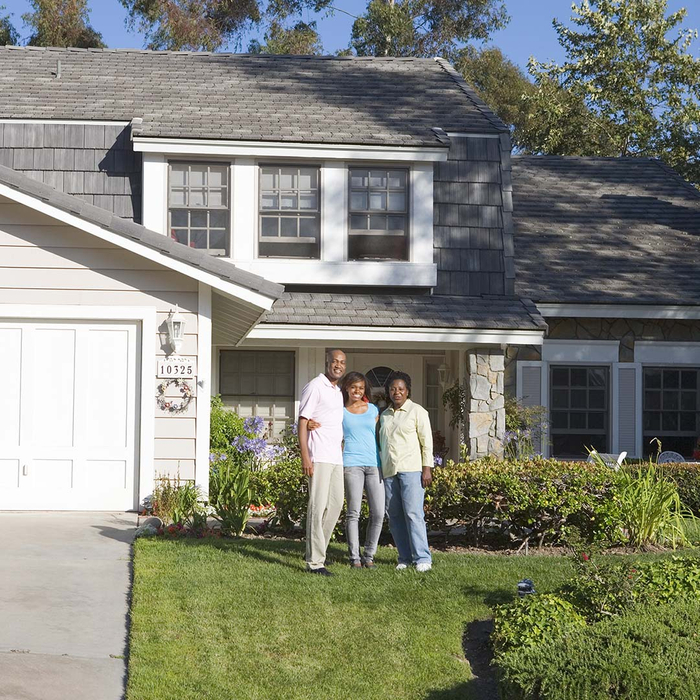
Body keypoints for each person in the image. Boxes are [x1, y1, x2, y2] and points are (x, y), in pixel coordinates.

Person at [378, 371, 434, 572]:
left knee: (413, 514)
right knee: (394, 516)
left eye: (401, 389)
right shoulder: (384, 415)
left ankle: (422, 558)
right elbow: (381, 444)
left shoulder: (418, 412)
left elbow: (426, 442)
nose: (397, 392)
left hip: (411, 470)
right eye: (393, 389)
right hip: (390, 472)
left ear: (407, 391)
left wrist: (427, 468)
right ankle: (404, 557)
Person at [298, 349, 346, 576]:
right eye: (335, 361)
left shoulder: (338, 392)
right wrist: (305, 457)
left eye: (342, 362)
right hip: (318, 457)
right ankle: (315, 562)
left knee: (335, 505)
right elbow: (302, 421)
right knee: (317, 508)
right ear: (327, 363)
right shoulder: (315, 386)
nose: (338, 365)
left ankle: (318, 550)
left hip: (336, 457)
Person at [339, 371, 384, 569]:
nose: (357, 391)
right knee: (353, 512)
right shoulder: (340, 411)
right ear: (347, 388)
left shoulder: (373, 409)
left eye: (361, 387)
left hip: (374, 465)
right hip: (351, 464)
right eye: (353, 387)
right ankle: (354, 557)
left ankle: (369, 555)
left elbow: (379, 436)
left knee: (379, 513)